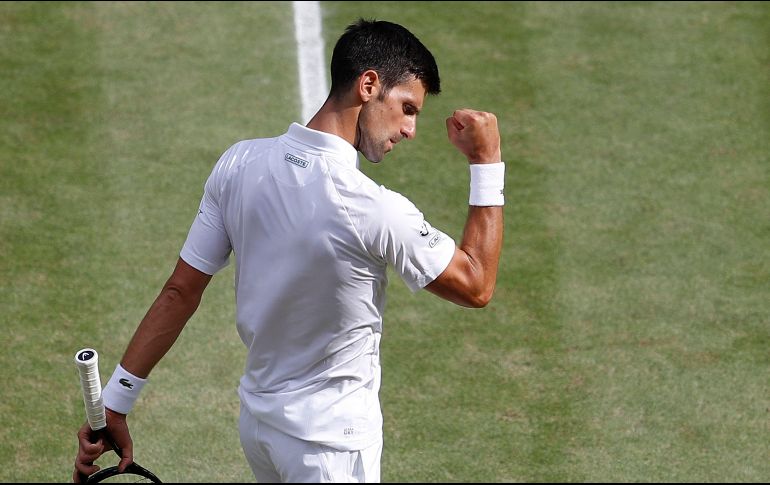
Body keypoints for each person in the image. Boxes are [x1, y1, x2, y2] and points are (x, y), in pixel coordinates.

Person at [74, 18, 504, 483]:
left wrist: (116, 401)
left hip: (259, 430)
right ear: (368, 85)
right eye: (407, 108)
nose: (410, 129)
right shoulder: (372, 207)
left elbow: (180, 291)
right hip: (331, 447)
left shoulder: (238, 163)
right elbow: (475, 283)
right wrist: (486, 161)